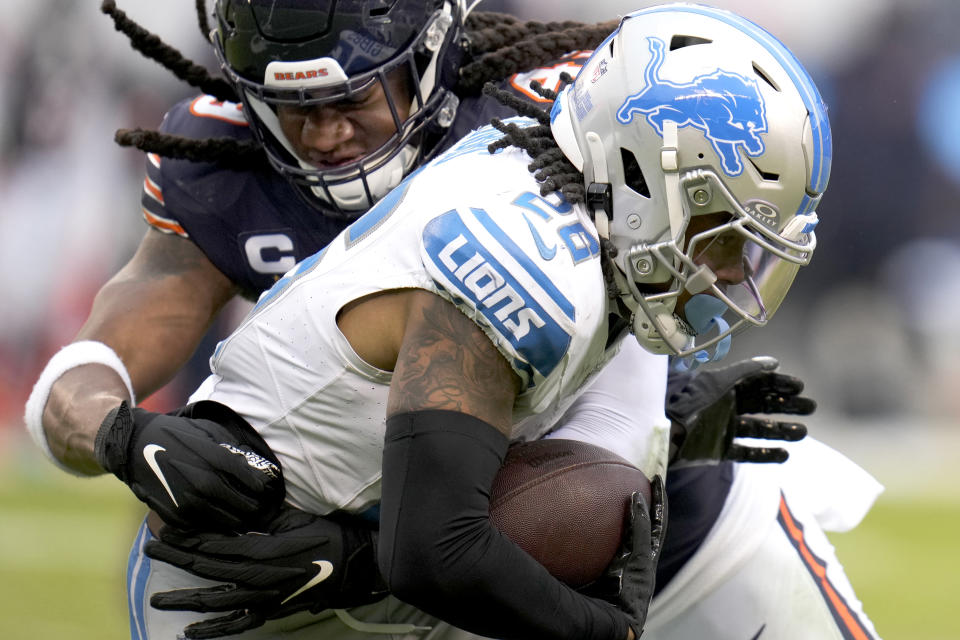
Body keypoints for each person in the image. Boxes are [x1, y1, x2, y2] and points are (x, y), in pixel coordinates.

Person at [23, 1, 879, 639]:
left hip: (566, 517)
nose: (324, 134)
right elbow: (89, 368)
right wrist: (120, 437)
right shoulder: (223, 164)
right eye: (293, 107)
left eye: (355, 95)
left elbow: (609, 444)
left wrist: (356, 561)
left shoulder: (559, 120)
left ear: (431, 52)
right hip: (409, 544)